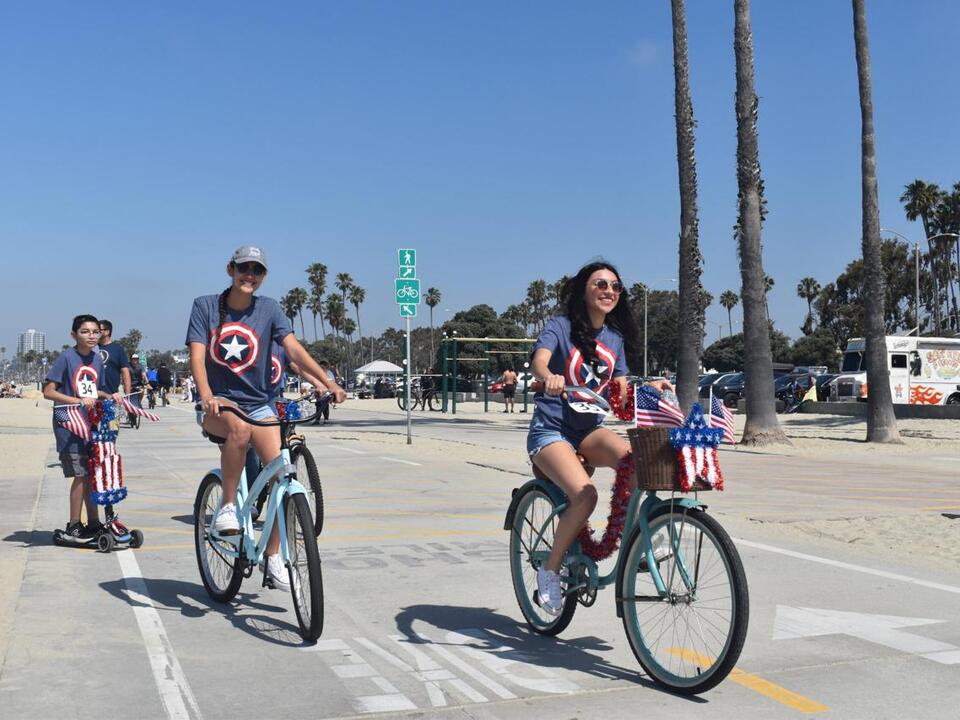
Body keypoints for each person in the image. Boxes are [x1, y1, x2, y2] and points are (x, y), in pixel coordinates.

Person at [186, 245, 345, 590]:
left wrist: (327, 382)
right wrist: (206, 395)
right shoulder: (205, 306)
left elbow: (294, 350)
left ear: (264, 276)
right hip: (220, 403)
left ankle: (274, 556)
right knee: (239, 432)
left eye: (257, 271)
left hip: (260, 404)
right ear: (230, 269)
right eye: (244, 268)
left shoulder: (270, 309)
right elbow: (197, 357)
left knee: (281, 473)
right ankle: (228, 505)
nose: (250, 276)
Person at [527, 261, 672, 616]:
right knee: (586, 496)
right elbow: (539, 362)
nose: (609, 291)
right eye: (600, 284)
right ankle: (550, 572)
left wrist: (646, 386)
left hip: (589, 431)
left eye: (616, 286)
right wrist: (550, 377)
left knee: (638, 460)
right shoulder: (560, 327)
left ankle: (639, 543)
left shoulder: (615, 339)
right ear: (583, 290)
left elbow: (620, 389)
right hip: (551, 431)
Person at [42, 314, 123, 540]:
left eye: (95, 332)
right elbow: (48, 391)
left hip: (91, 425)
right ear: (74, 334)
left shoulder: (96, 360)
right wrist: (75, 401)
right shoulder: (66, 358)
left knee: (91, 475)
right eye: (85, 331)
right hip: (69, 424)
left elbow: (90, 391)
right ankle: (74, 524)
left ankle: (94, 522)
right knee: (80, 475)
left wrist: (108, 394)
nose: (91, 336)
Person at [97, 320, 132, 399]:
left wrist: (127, 396)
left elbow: (125, 373)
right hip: (92, 397)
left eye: (98, 330)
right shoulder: (91, 348)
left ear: (107, 331)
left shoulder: (118, 349)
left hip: (112, 396)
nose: (95, 333)